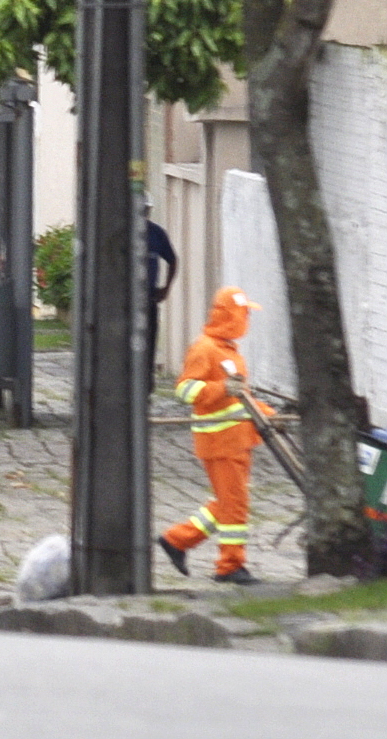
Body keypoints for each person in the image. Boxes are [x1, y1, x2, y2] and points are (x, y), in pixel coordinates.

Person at [157, 286, 271, 585]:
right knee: (233, 505)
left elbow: (240, 397)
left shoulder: (227, 349)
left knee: (228, 501)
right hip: (220, 443)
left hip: (236, 441)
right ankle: (229, 565)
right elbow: (184, 389)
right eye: (244, 314)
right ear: (231, 316)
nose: (247, 319)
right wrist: (221, 389)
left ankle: (177, 540)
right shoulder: (205, 349)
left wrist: (269, 415)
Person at [145, 194, 178, 395]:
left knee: (149, 341)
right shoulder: (124, 232)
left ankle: (146, 382)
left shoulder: (156, 234)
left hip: (149, 298)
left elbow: (172, 260)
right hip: (124, 301)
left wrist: (166, 287)